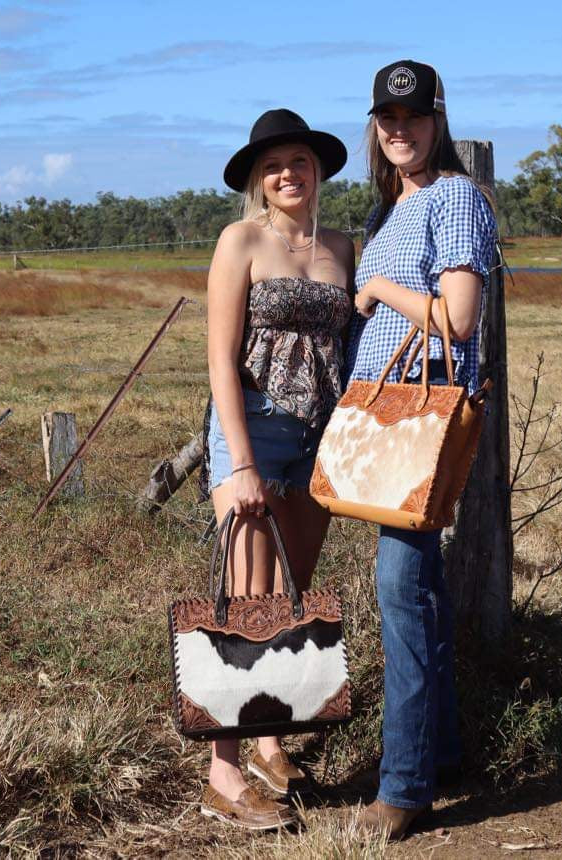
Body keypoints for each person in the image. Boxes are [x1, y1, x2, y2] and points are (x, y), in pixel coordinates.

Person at [345, 60, 498, 839]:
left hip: (421, 416)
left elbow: (461, 318)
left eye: (413, 116)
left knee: (401, 593)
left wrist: (377, 288)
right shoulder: (387, 209)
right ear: (375, 126)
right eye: (386, 118)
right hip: (383, 417)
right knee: (423, 591)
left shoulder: (455, 198)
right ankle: (441, 753)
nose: (399, 129)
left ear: (437, 119)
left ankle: (402, 787)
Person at [200, 108, 355, 831]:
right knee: (249, 603)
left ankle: (269, 747)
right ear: (257, 182)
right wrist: (240, 462)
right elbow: (220, 361)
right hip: (254, 433)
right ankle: (221, 777)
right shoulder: (243, 241)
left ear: (316, 169)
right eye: (273, 166)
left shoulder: (340, 248)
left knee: (290, 606)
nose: (287, 174)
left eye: (298, 161)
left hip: (317, 440)